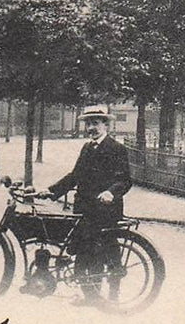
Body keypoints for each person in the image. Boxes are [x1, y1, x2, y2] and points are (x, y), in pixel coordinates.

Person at [37, 105, 131, 305]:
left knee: (108, 254)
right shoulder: (87, 148)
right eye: (88, 123)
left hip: (106, 211)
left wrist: (110, 192)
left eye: (95, 123)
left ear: (106, 125)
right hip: (84, 210)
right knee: (83, 253)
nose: (91, 128)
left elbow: (124, 180)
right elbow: (75, 176)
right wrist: (52, 191)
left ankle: (113, 299)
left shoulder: (117, 148)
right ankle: (90, 296)